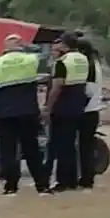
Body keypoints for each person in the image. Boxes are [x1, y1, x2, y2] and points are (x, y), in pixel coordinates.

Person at [0, 35, 51, 196]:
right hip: (28, 111)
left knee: (8, 151)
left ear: (5, 48)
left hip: (4, 114)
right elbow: (45, 54)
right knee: (32, 149)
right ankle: (42, 186)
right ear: (20, 46)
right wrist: (27, 46)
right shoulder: (31, 60)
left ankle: (11, 187)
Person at [43, 32, 89, 192]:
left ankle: (62, 182)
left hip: (63, 107)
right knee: (71, 144)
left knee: (61, 145)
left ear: (64, 45)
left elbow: (57, 87)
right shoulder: (83, 59)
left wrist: (48, 108)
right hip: (78, 104)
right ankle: (72, 180)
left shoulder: (62, 62)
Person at [77, 36, 103, 190]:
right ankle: (86, 177)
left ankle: (87, 179)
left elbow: (89, 91)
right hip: (93, 110)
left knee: (85, 147)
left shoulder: (90, 66)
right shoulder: (94, 63)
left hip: (88, 110)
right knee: (86, 146)